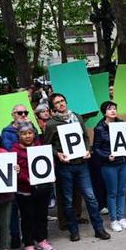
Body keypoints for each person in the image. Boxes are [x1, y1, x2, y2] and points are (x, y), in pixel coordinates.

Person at [41, 93, 110, 242]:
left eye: (62, 101)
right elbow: (46, 145)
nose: (61, 104)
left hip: (82, 164)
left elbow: (84, 137)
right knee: (68, 199)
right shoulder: (52, 124)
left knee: (90, 197)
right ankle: (73, 230)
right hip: (65, 166)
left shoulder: (77, 117)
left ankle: (99, 229)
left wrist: (87, 150)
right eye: (57, 103)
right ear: (54, 107)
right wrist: (57, 154)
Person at [11, 123, 53, 250]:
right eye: (24, 134)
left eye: (30, 133)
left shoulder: (41, 147)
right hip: (24, 189)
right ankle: (28, 243)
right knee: (27, 217)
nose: (27, 136)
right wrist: (25, 178)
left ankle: (42, 239)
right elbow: (15, 170)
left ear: (34, 134)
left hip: (42, 188)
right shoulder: (14, 150)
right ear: (19, 136)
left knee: (41, 215)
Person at [92, 101, 126, 233]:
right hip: (109, 165)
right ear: (104, 112)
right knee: (112, 193)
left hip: (124, 162)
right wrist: (106, 156)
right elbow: (96, 148)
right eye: (110, 109)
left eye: (115, 109)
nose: (113, 111)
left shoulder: (121, 124)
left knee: (122, 191)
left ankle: (121, 217)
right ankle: (113, 220)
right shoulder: (99, 128)